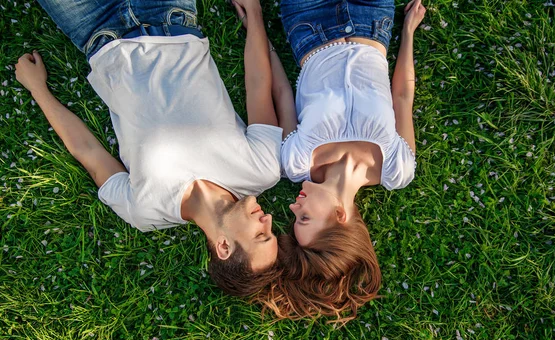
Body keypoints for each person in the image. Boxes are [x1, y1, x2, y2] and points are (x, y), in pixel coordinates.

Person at [15, 0, 295, 297]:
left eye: (261, 235)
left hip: (95, 30)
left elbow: (88, 152)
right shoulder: (262, 170)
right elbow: (257, 83)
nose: (268, 220)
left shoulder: (145, 212)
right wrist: (254, 13)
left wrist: (38, 90)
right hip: (169, 13)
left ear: (224, 246)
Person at [259, 0, 427, 321]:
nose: (294, 208)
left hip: (308, 25)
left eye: (295, 217)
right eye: (304, 218)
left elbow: (280, 92)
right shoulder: (396, 169)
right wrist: (408, 32)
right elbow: (402, 97)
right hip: (372, 20)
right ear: (340, 215)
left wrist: (259, 36)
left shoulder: (296, 162)